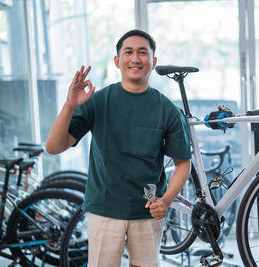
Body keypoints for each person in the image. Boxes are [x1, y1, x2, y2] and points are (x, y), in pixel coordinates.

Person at [45, 29, 191, 267]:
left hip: (147, 211)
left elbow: (183, 164)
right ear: (117, 61)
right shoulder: (98, 101)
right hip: (104, 208)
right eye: (129, 52)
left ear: (153, 61)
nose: (135, 58)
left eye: (143, 52)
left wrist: (165, 201)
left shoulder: (168, 110)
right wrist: (69, 106)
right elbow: (54, 147)